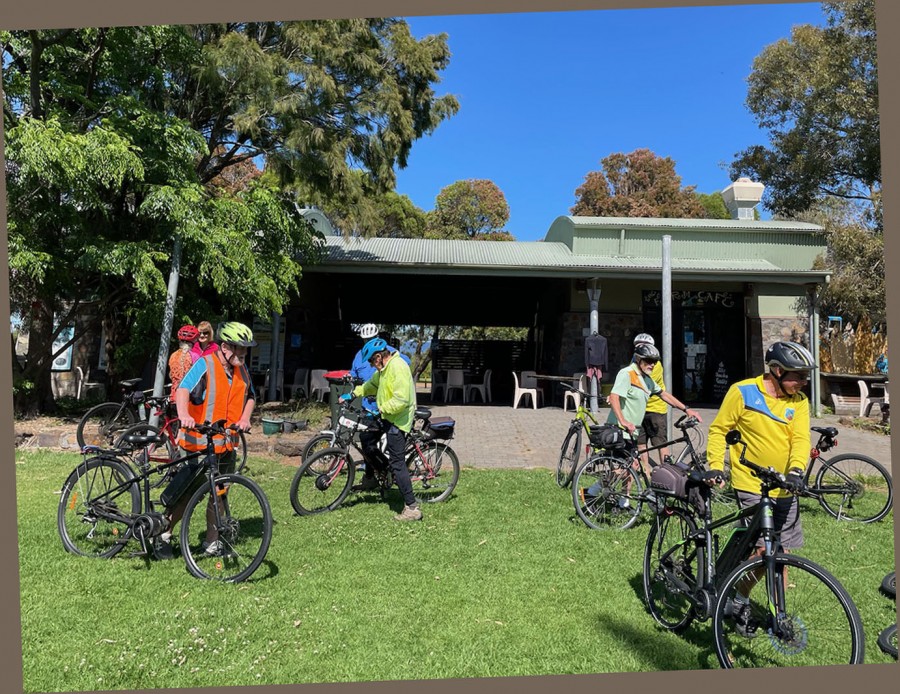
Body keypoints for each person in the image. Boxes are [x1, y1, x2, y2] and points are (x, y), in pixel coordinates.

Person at [705, 340, 815, 636]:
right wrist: (715, 465)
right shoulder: (743, 392)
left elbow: (800, 440)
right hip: (752, 483)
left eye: (806, 377)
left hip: (785, 487)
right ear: (777, 371)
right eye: (798, 376)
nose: (804, 383)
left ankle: (778, 614)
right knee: (763, 551)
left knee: (783, 554)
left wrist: (796, 471)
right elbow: (719, 430)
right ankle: (739, 599)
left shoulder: (799, 401)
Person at [155, 321, 257, 559]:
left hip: (226, 443)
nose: (244, 352)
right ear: (225, 347)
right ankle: (163, 534)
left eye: (246, 348)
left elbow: (251, 396)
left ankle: (212, 542)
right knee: (190, 493)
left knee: (219, 493)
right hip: (199, 443)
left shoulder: (242, 369)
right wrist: (184, 415)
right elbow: (183, 389)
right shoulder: (205, 364)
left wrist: (245, 418)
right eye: (239, 347)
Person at [597, 342, 701, 508]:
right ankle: (595, 492)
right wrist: (623, 421)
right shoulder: (627, 373)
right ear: (638, 360)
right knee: (630, 466)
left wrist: (687, 409)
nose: (652, 364)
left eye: (654, 361)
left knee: (630, 467)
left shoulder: (646, 380)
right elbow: (615, 397)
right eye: (648, 361)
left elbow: (664, 395)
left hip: (631, 432)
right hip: (619, 429)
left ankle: (622, 502)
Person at [345, 336, 422, 522]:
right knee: (366, 439)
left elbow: (401, 400)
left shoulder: (398, 367)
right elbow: (371, 385)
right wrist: (353, 394)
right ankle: (378, 474)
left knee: (398, 463)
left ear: (379, 357)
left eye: (372, 361)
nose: (371, 365)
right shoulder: (383, 370)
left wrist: (382, 408)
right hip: (387, 415)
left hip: (399, 420)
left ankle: (412, 508)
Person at [633, 333, 669, 466]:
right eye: (638, 346)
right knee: (641, 444)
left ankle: (666, 470)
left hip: (655, 409)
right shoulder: (635, 362)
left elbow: (644, 384)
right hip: (640, 410)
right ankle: (646, 472)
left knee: (661, 443)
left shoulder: (655, 364)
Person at [168, 325, 199, 399]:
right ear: (194, 341)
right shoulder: (195, 356)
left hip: (173, 395)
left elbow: (171, 375)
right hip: (188, 397)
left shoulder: (173, 355)